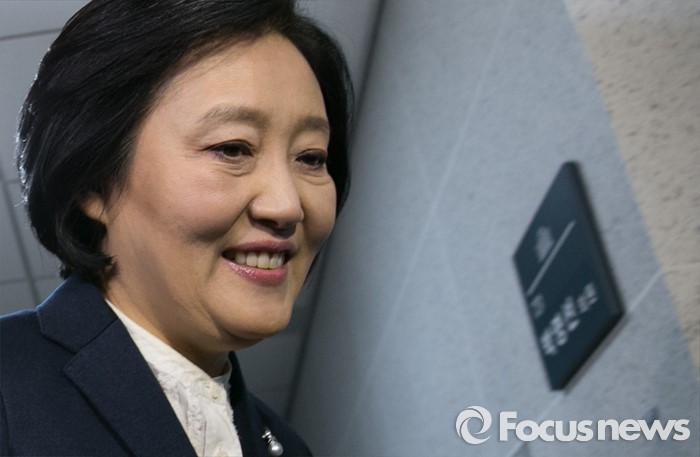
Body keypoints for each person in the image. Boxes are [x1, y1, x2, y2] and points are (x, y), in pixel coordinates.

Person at [0, 0, 352, 455]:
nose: (287, 206)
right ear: (93, 182)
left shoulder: (288, 446)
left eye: (311, 158)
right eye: (232, 149)